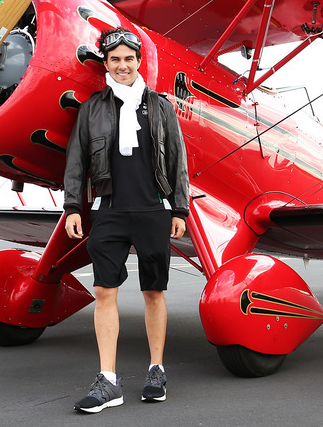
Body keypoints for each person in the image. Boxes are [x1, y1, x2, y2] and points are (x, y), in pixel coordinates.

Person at [63, 26, 190, 413]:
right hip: (108, 210)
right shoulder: (92, 108)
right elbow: (76, 161)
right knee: (105, 291)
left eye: (128, 59)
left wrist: (180, 208)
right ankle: (109, 381)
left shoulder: (162, 106)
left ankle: (156, 370)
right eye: (114, 59)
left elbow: (178, 160)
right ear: (106, 63)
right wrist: (71, 206)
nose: (122, 65)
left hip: (154, 208)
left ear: (139, 62)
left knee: (153, 291)